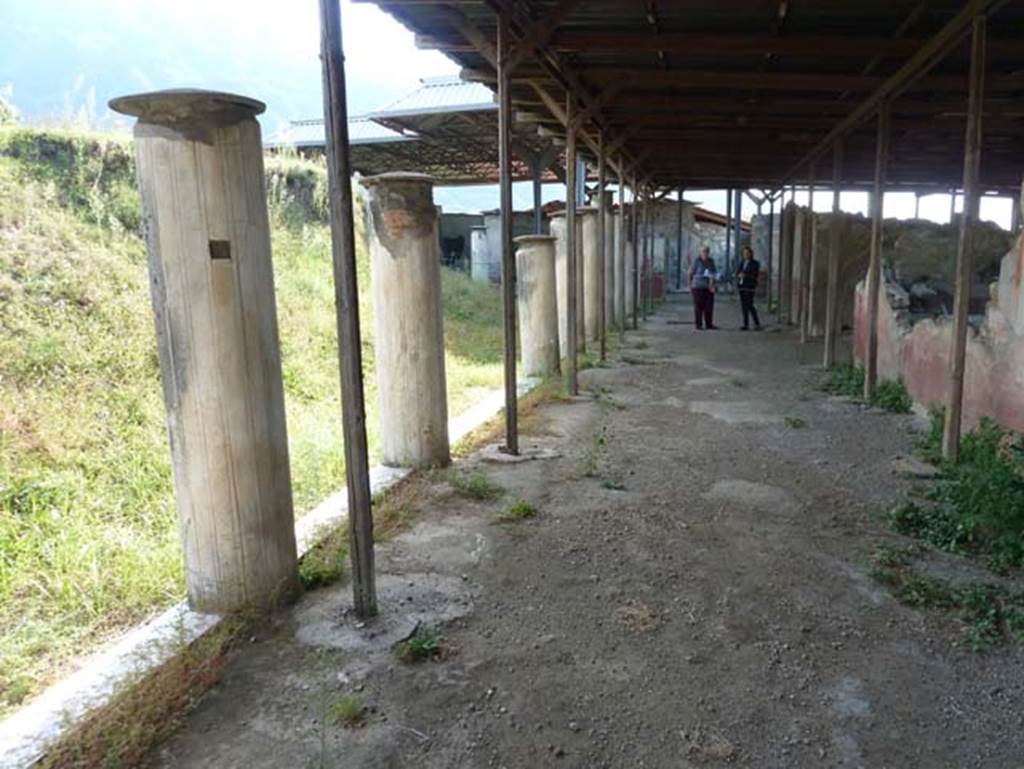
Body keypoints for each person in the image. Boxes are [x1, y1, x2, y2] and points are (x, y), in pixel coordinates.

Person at [688, 246, 718, 330]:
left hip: (709, 287)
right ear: (700, 252)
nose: (705, 253)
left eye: (707, 251)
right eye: (703, 251)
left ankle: (709, 324)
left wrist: (714, 284)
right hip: (698, 287)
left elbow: (714, 273)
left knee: (709, 306)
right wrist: (690, 285)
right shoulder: (696, 261)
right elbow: (690, 273)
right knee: (698, 306)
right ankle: (698, 324)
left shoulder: (711, 261)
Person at [735, 244, 762, 330]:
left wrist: (745, 276)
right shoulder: (742, 263)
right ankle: (745, 324)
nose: (746, 255)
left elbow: (754, 275)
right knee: (744, 306)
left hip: (750, 287)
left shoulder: (755, 263)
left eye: (747, 253)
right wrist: (738, 275)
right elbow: (737, 272)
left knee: (749, 305)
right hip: (742, 286)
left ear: (750, 254)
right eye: (744, 253)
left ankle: (757, 323)